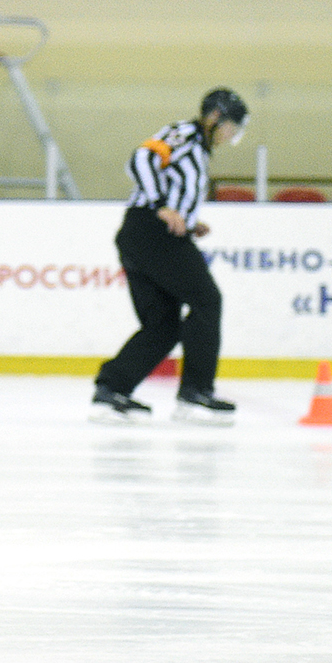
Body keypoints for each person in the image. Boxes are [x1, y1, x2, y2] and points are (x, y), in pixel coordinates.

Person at [91, 87, 248, 425]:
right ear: (215, 117)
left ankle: (111, 390)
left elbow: (170, 184)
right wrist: (161, 206)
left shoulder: (199, 149)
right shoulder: (187, 133)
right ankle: (195, 393)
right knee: (207, 301)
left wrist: (189, 222)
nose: (230, 135)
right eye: (231, 127)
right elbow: (142, 158)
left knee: (163, 324)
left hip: (145, 234)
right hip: (151, 233)